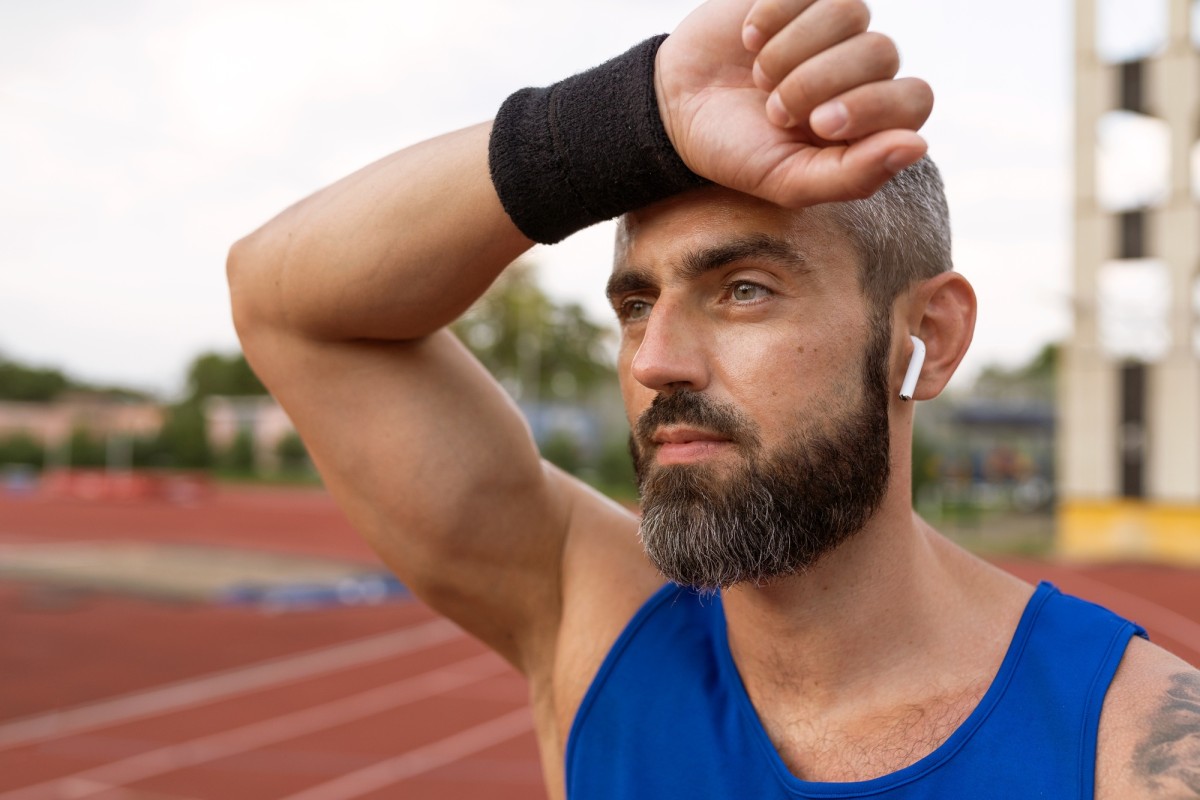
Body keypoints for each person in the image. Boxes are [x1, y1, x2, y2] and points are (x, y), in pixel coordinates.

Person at [226, 0, 1200, 796]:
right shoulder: (595, 620)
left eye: (743, 289)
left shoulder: (1136, 752)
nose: (656, 359)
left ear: (929, 337)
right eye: (635, 302)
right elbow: (284, 303)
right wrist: (625, 117)